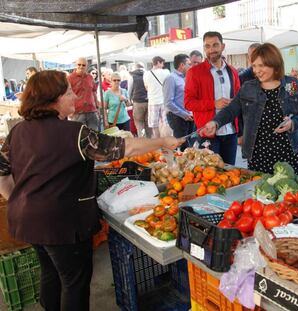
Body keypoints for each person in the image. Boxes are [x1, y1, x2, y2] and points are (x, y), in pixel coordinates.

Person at [0, 70, 183, 311]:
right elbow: (124, 149)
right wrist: (161, 141)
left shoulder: (18, 132)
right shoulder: (75, 134)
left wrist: (20, 200)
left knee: (50, 273)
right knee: (74, 282)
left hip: (27, 220)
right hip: (62, 224)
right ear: (52, 99)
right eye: (67, 92)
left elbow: (2, 173)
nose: (74, 95)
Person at [203, 43, 298, 174]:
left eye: (261, 65)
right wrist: (216, 122)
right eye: (254, 66)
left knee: (290, 193)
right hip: (259, 155)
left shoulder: (291, 84)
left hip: (289, 152)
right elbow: (231, 109)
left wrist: (293, 122)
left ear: (274, 64)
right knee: (261, 193)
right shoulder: (249, 88)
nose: (256, 70)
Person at [185, 31, 241, 165]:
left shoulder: (232, 71)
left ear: (222, 46)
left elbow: (239, 99)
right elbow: (188, 103)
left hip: (231, 131)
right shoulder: (194, 72)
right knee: (210, 173)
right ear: (204, 49)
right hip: (207, 132)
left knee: (230, 172)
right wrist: (213, 104)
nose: (211, 50)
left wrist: (235, 103)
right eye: (207, 46)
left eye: (215, 45)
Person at [163, 54, 195, 151]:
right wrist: (184, 114)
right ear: (182, 65)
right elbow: (168, 102)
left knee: (188, 146)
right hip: (177, 117)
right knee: (183, 147)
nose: (191, 66)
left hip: (187, 116)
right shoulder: (171, 78)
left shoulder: (184, 78)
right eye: (189, 64)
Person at [68, 57, 100, 131]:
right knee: (79, 136)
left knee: (94, 135)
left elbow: (94, 92)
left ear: (87, 66)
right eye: (79, 64)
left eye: (83, 65)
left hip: (91, 111)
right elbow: (67, 95)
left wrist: (97, 107)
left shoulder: (90, 77)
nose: (81, 67)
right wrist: (69, 111)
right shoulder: (70, 78)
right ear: (76, 65)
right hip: (77, 112)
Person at [143, 56, 170, 138]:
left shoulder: (146, 74)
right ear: (158, 62)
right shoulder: (166, 72)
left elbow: (146, 87)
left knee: (154, 125)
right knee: (166, 124)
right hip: (164, 101)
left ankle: (158, 142)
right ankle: (167, 142)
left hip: (152, 102)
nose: (162, 66)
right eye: (162, 63)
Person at [128, 62, 151, 138]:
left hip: (138, 103)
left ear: (135, 68)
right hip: (149, 102)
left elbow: (129, 91)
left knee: (139, 123)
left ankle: (142, 141)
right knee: (148, 124)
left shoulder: (132, 76)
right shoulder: (148, 75)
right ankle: (150, 142)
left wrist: (130, 100)